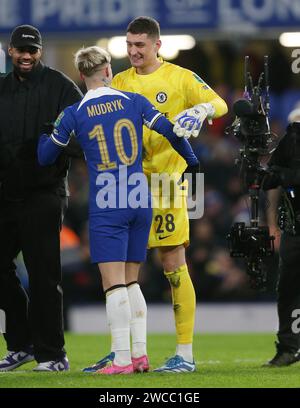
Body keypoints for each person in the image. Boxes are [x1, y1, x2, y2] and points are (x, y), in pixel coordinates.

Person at [37, 46, 200, 374]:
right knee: (132, 282)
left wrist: (48, 133)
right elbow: (172, 132)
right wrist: (193, 162)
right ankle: (139, 356)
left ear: (81, 75)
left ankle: (123, 360)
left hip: (108, 201)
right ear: (108, 71)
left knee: (113, 285)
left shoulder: (74, 113)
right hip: (141, 197)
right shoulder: (134, 101)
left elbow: (44, 157)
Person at [110, 16, 228, 372]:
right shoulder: (120, 81)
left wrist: (201, 108)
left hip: (167, 183)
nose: (133, 51)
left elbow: (220, 103)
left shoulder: (179, 77)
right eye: (129, 45)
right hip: (130, 183)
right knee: (124, 270)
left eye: (140, 45)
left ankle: (185, 353)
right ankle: (124, 352)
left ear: (157, 45)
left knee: (173, 266)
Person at [0, 25, 83, 372]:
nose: (27, 56)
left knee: (44, 275)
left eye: (32, 50)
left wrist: (57, 146)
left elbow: (84, 138)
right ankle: (22, 343)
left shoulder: (61, 87)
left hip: (44, 194)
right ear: (9, 50)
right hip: (4, 195)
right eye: (21, 50)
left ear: (41, 51)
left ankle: (52, 353)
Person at [262, 118, 300, 367]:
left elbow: (280, 176)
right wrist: (272, 222)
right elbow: (270, 180)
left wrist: (284, 175)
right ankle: (288, 347)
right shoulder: (292, 138)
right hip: (295, 227)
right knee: (287, 289)